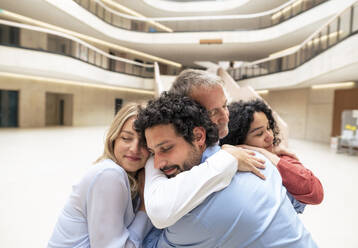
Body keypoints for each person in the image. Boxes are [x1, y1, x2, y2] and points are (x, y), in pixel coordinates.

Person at [135, 92, 318, 248]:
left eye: (166, 148)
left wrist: (148, 180)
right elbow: (295, 205)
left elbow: (149, 243)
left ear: (199, 136)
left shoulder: (193, 216)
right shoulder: (257, 158)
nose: (158, 163)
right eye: (152, 153)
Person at [48, 103, 153, 248]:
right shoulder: (110, 175)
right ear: (113, 139)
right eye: (126, 138)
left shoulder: (133, 178)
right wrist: (144, 209)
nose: (134, 149)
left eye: (144, 142)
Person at [220, 99, 324, 207]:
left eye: (269, 128)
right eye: (259, 133)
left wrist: (266, 154)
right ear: (239, 141)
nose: (270, 136)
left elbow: (315, 192)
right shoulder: (229, 166)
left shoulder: (280, 156)